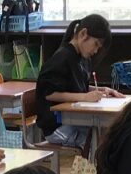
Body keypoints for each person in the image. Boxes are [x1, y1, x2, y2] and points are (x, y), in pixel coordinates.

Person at [36, 14, 123, 150]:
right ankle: (95, 163)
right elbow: (50, 94)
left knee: (109, 135)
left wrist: (102, 90)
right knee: (99, 143)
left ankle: (98, 163)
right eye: (96, 44)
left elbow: (76, 87)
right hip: (57, 127)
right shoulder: (62, 58)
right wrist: (85, 97)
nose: (96, 51)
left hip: (73, 121)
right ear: (83, 34)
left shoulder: (82, 58)